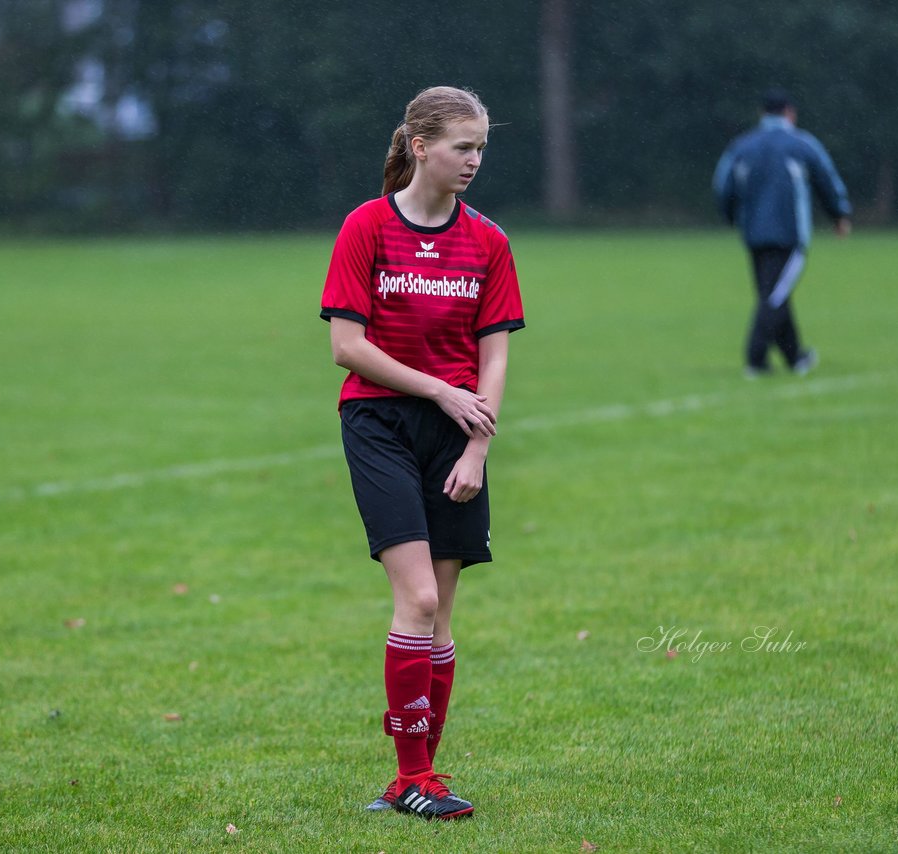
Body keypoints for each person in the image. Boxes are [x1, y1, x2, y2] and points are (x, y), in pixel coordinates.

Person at [319, 85, 525, 820]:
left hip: (458, 434)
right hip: (379, 422)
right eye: (462, 147)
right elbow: (348, 347)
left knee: (441, 622)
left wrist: (475, 450)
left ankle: (415, 777)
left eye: (480, 148)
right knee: (420, 598)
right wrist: (439, 391)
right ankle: (413, 778)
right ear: (419, 147)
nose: (474, 160)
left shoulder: (489, 242)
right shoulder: (367, 228)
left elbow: (493, 361)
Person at [712, 87, 852, 377]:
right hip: (789, 235)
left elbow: (722, 184)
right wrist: (839, 214)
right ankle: (756, 360)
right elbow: (826, 178)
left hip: (752, 234)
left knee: (774, 292)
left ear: (762, 114)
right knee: (774, 296)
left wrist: (729, 216)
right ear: (790, 113)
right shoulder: (801, 144)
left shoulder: (742, 145)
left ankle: (795, 358)